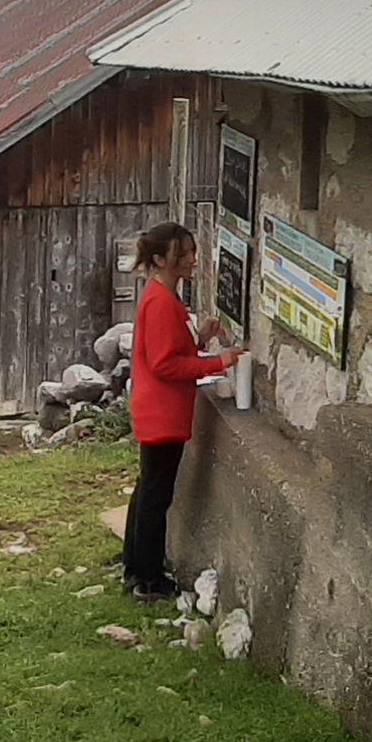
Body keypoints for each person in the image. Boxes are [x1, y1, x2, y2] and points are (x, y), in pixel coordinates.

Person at [123, 222, 245, 602]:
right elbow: (164, 364)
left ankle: (135, 566)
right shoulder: (161, 302)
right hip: (162, 413)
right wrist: (218, 362)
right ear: (160, 260)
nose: (194, 260)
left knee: (148, 490)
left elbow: (171, 350)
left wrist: (199, 338)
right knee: (156, 497)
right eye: (185, 254)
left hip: (157, 409)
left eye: (192, 251)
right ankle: (148, 578)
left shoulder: (161, 295)